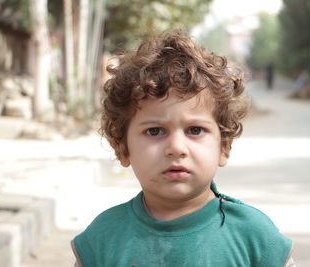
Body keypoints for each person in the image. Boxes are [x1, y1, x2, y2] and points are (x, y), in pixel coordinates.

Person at [71, 30, 294, 267]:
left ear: (224, 146)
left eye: (195, 130)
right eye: (155, 131)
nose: (176, 148)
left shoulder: (255, 237)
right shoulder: (103, 238)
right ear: (122, 149)